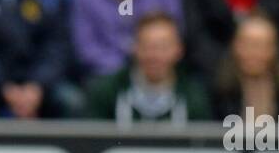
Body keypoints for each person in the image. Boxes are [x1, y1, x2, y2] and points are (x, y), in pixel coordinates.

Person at [85, 12, 213, 124]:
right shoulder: (107, 93)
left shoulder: (194, 97)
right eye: (147, 46)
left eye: (163, 47)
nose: (155, 55)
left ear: (179, 50)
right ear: (134, 48)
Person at [211, 11, 279, 119]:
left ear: (274, 50)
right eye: (247, 44)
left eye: (260, 45)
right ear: (234, 46)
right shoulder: (218, 92)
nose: (253, 53)